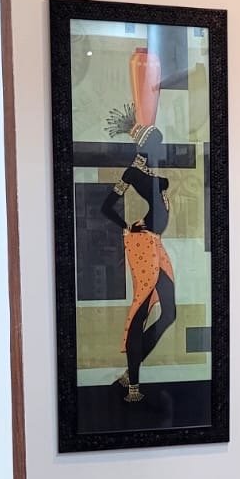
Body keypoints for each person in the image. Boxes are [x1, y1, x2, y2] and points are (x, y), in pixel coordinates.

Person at [101, 114, 176, 403]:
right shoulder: (135, 173)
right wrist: (127, 227)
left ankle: (129, 373)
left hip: (155, 243)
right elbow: (107, 207)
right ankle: (133, 385)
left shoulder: (146, 173)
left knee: (169, 313)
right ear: (146, 147)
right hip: (142, 244)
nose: (161, 148)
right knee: (141, 310)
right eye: (158, 144)